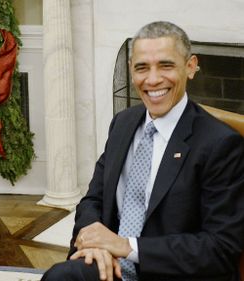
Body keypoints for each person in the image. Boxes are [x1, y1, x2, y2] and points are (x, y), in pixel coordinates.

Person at [42, 21, 244, 281]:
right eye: (142, 68)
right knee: (62, 276)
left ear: (191, 66)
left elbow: (220, 248)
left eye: (166, 65)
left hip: (175, 272)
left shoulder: (221, 144)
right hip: (113, 267)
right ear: (131, 70)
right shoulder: (123, 123)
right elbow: (93, 200)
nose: (152, 79)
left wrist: (127, 247)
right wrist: (93, 240)